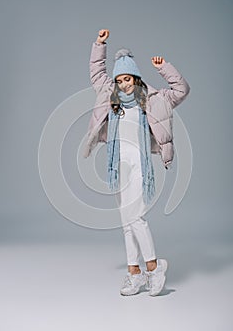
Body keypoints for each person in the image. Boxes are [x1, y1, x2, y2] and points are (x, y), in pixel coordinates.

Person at [84, 29, 190, 296]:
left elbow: (181, 89)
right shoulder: (111, 98)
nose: (123, 84)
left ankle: (154, 268)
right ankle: (134, 273)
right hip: (119, 168)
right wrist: (100, 44)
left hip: (141, 168)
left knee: (136, 217)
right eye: (119, 79)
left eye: (127, 78)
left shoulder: (154, 100)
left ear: (136, 77)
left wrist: (164, 67)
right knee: (125, 222)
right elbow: (97, 73)